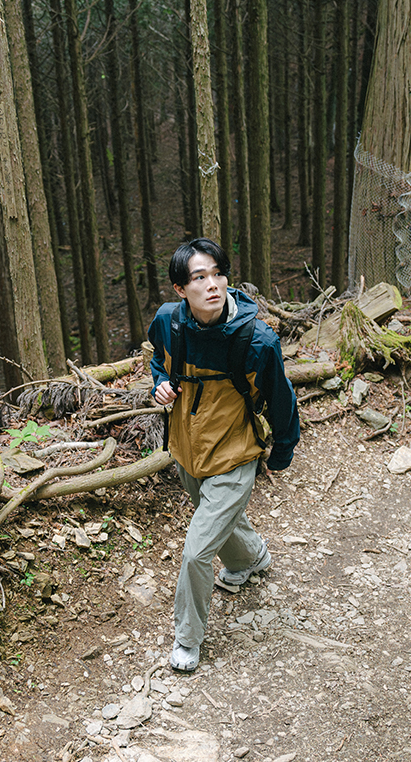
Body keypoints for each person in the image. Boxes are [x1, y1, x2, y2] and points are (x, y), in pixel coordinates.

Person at [148, 238, 300, 672]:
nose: (213, 284)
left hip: (234, 454)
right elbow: (158, 361)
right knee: (214, 516)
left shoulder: (256, 340)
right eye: (199, 277)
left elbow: (282, 399)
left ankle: (187, 640)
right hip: (186, 449)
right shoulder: (168, 322)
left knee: (196, 552)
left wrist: (282, 449)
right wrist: (159, 383)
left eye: (218, 274)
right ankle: (251, 557)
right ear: (181, 289)